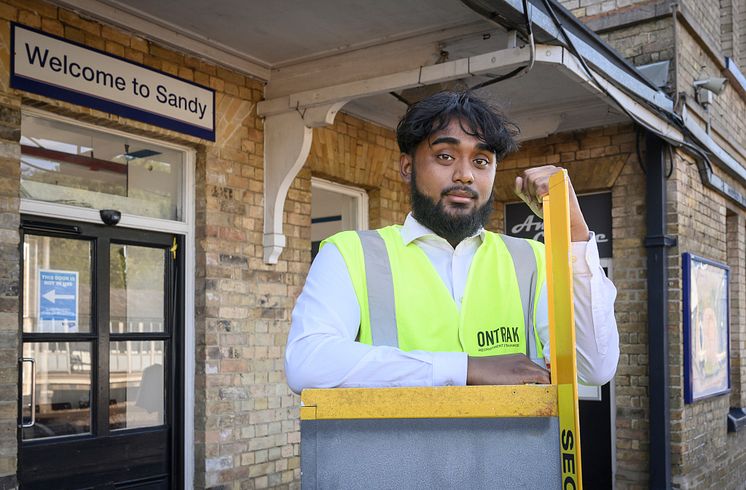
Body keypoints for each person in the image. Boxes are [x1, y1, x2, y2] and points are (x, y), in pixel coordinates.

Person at [285, 91, 619, 394]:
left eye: (481, 161)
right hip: (398, 461)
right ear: (407, 166)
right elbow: (307, 363)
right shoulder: (348, 254)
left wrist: (574, 232)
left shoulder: (533, 260)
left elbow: (594, 367)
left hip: (512, 462)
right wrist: (467, 368)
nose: (465, 174)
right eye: (445, 156)